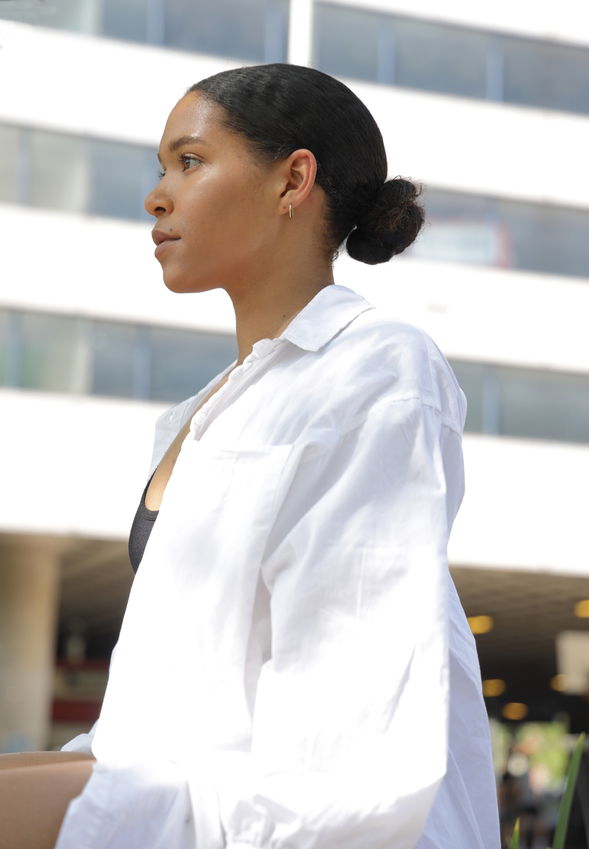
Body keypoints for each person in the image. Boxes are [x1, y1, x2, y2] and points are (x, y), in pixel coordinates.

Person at [0, 63, 500, 849]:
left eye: (189, 161)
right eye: (161, 168)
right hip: (182, 794)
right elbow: (146, 723)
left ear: (292, 180)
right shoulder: (200, 413)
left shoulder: (376, 365)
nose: (156, 196)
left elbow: (346, 748)